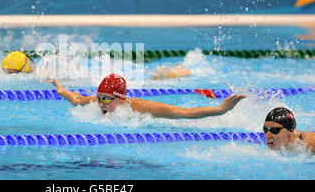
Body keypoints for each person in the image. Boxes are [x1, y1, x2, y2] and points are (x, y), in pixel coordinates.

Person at [51, 73, 246, 119]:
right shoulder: (98, 101)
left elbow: (184, 112)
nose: (100, 103)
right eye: (99, 97)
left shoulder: (139, 108)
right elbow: (77, 100)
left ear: (121, 99)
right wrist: (62, 91)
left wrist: (221, 109)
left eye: (107, 98)